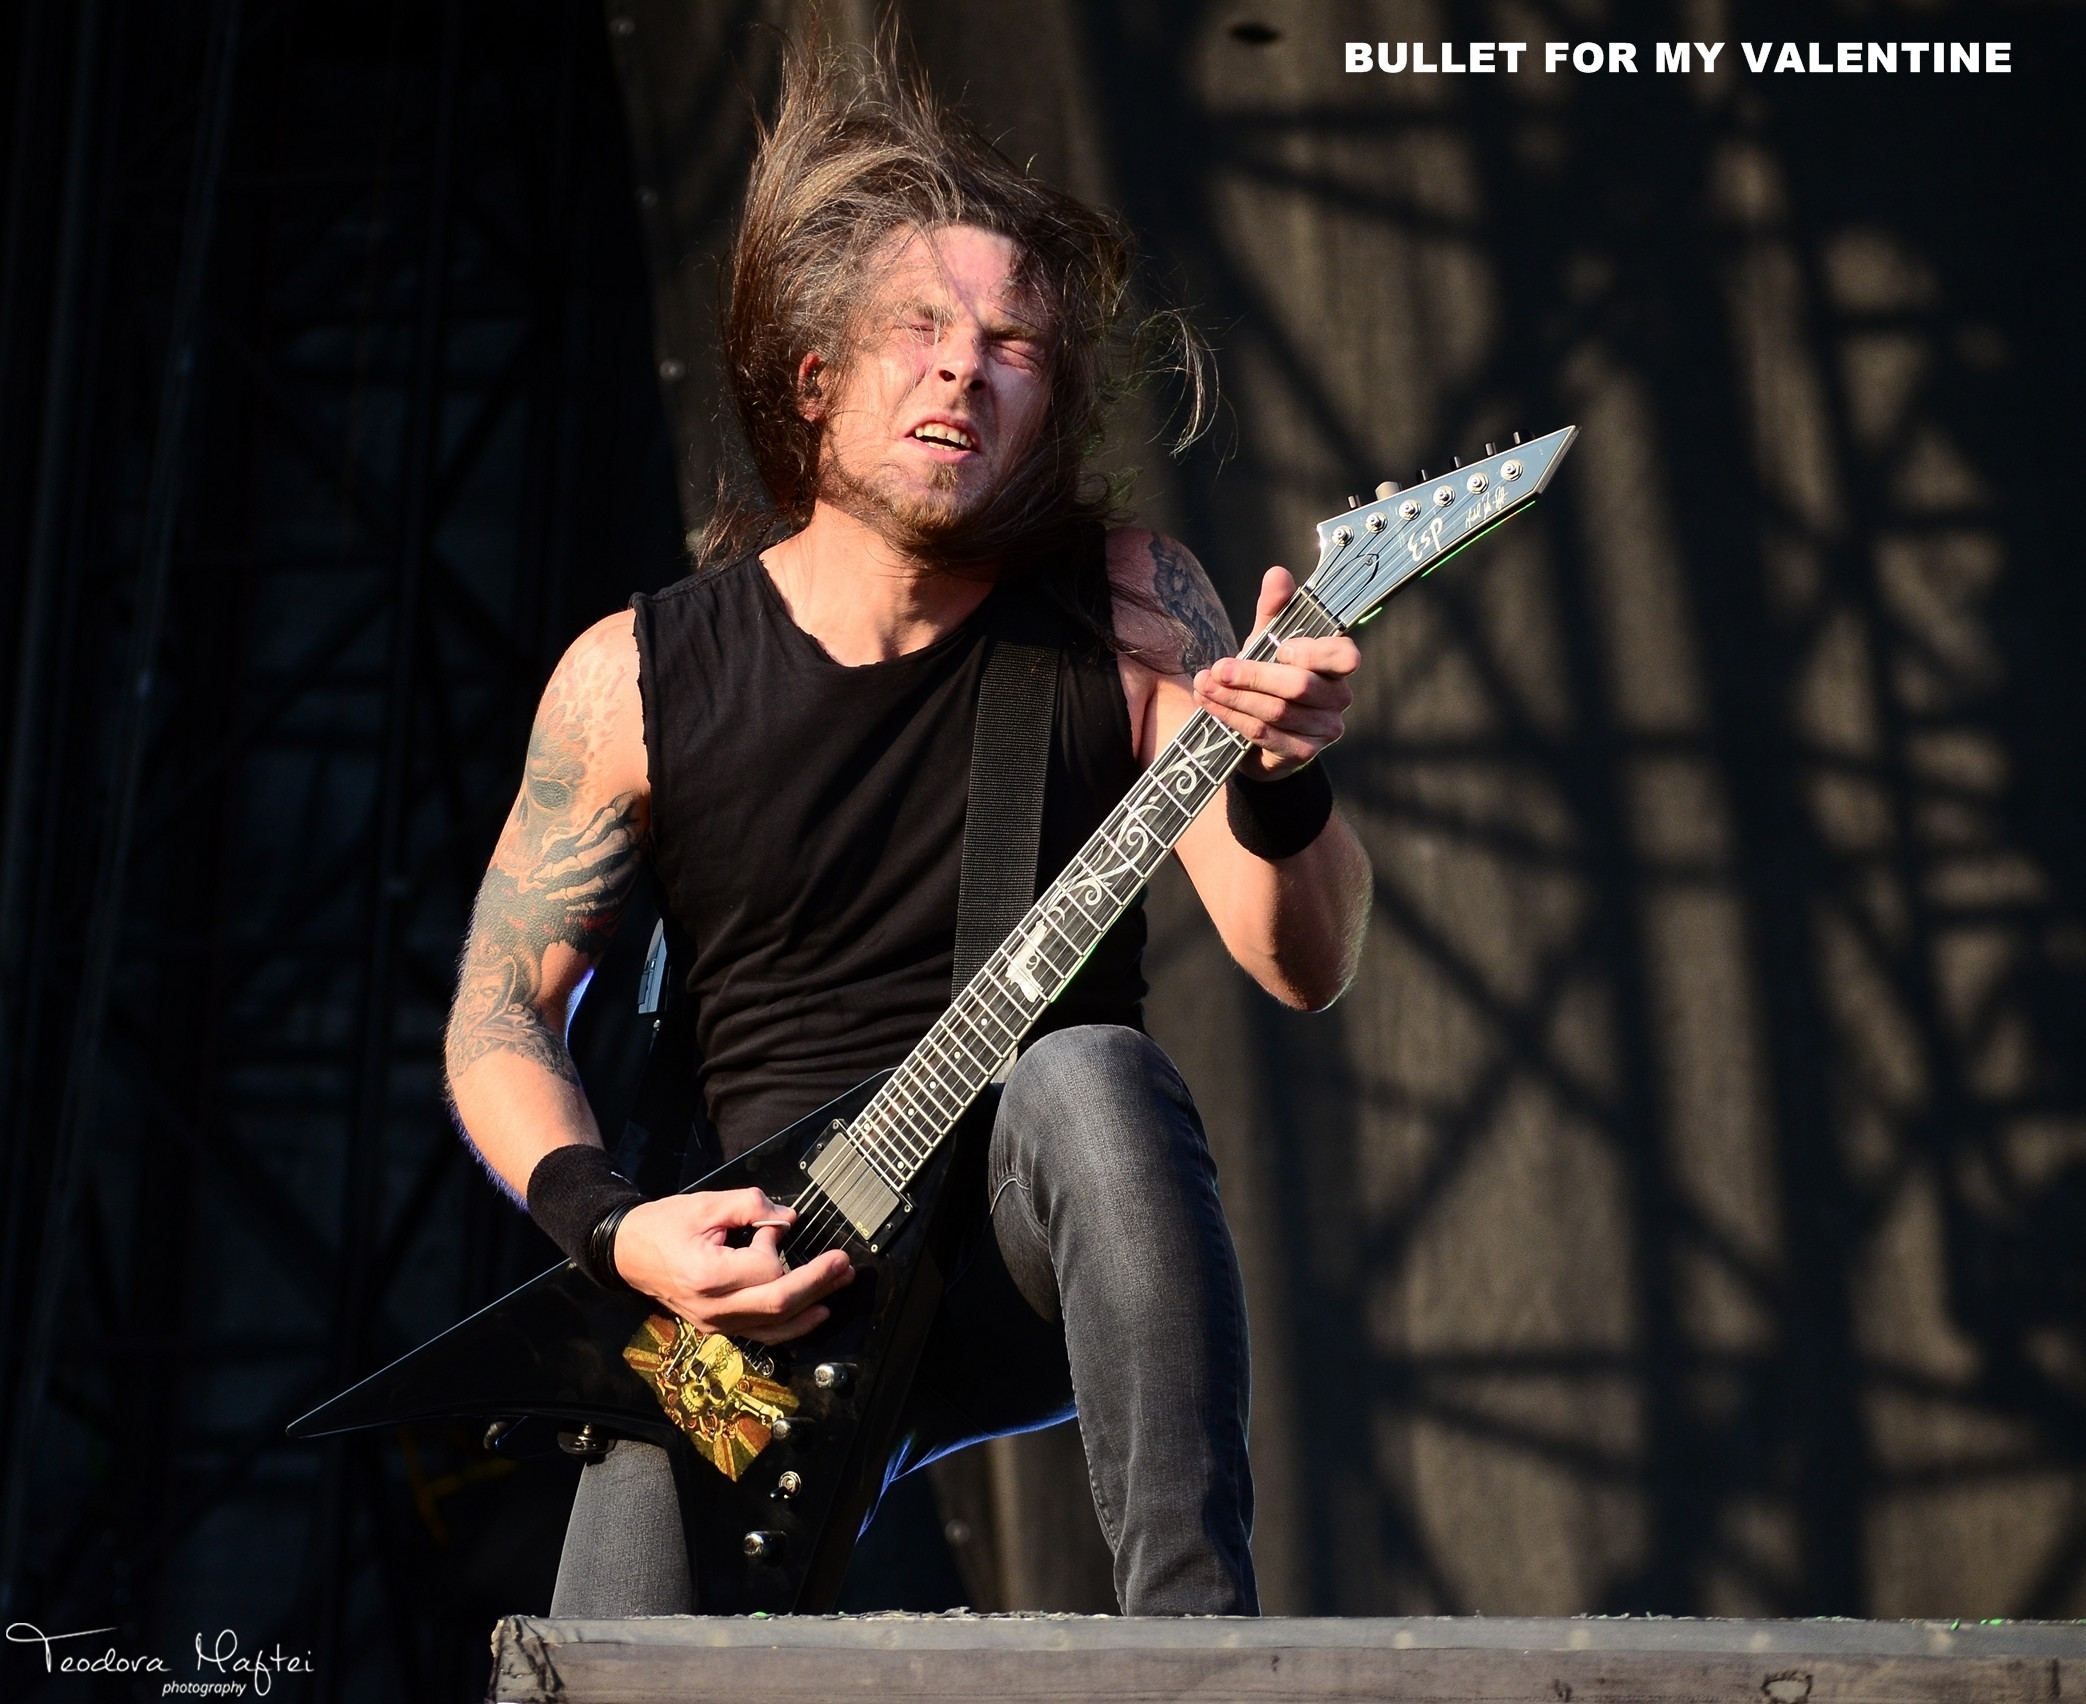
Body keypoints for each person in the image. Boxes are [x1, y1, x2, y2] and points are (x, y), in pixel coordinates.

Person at [440, 40, 1370, 1618]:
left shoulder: (1132, 609)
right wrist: (619, 1234)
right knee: (597, 1671)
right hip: (758, 1292)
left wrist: (1280, 776)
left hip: (1013, 1240)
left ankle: (1193, 1642)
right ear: (814, 380)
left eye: (1011, 346)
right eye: (919, 329)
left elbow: (1302, 963)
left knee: (1088, 1072)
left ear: (1044, 406)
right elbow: (496, 1012)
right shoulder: (633, 675)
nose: (963, 370)